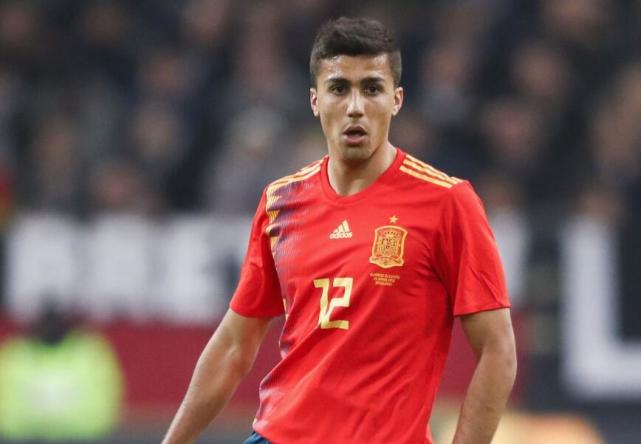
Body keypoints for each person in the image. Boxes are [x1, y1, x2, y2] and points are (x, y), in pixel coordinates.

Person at [163, 17, 516, 444]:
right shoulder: (280, 203)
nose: (355, 107)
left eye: (372, 88)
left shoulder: (447, 203)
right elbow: (235, 345)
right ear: (315, 101)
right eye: (339, 88)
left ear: (396, 100)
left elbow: (497, 351)